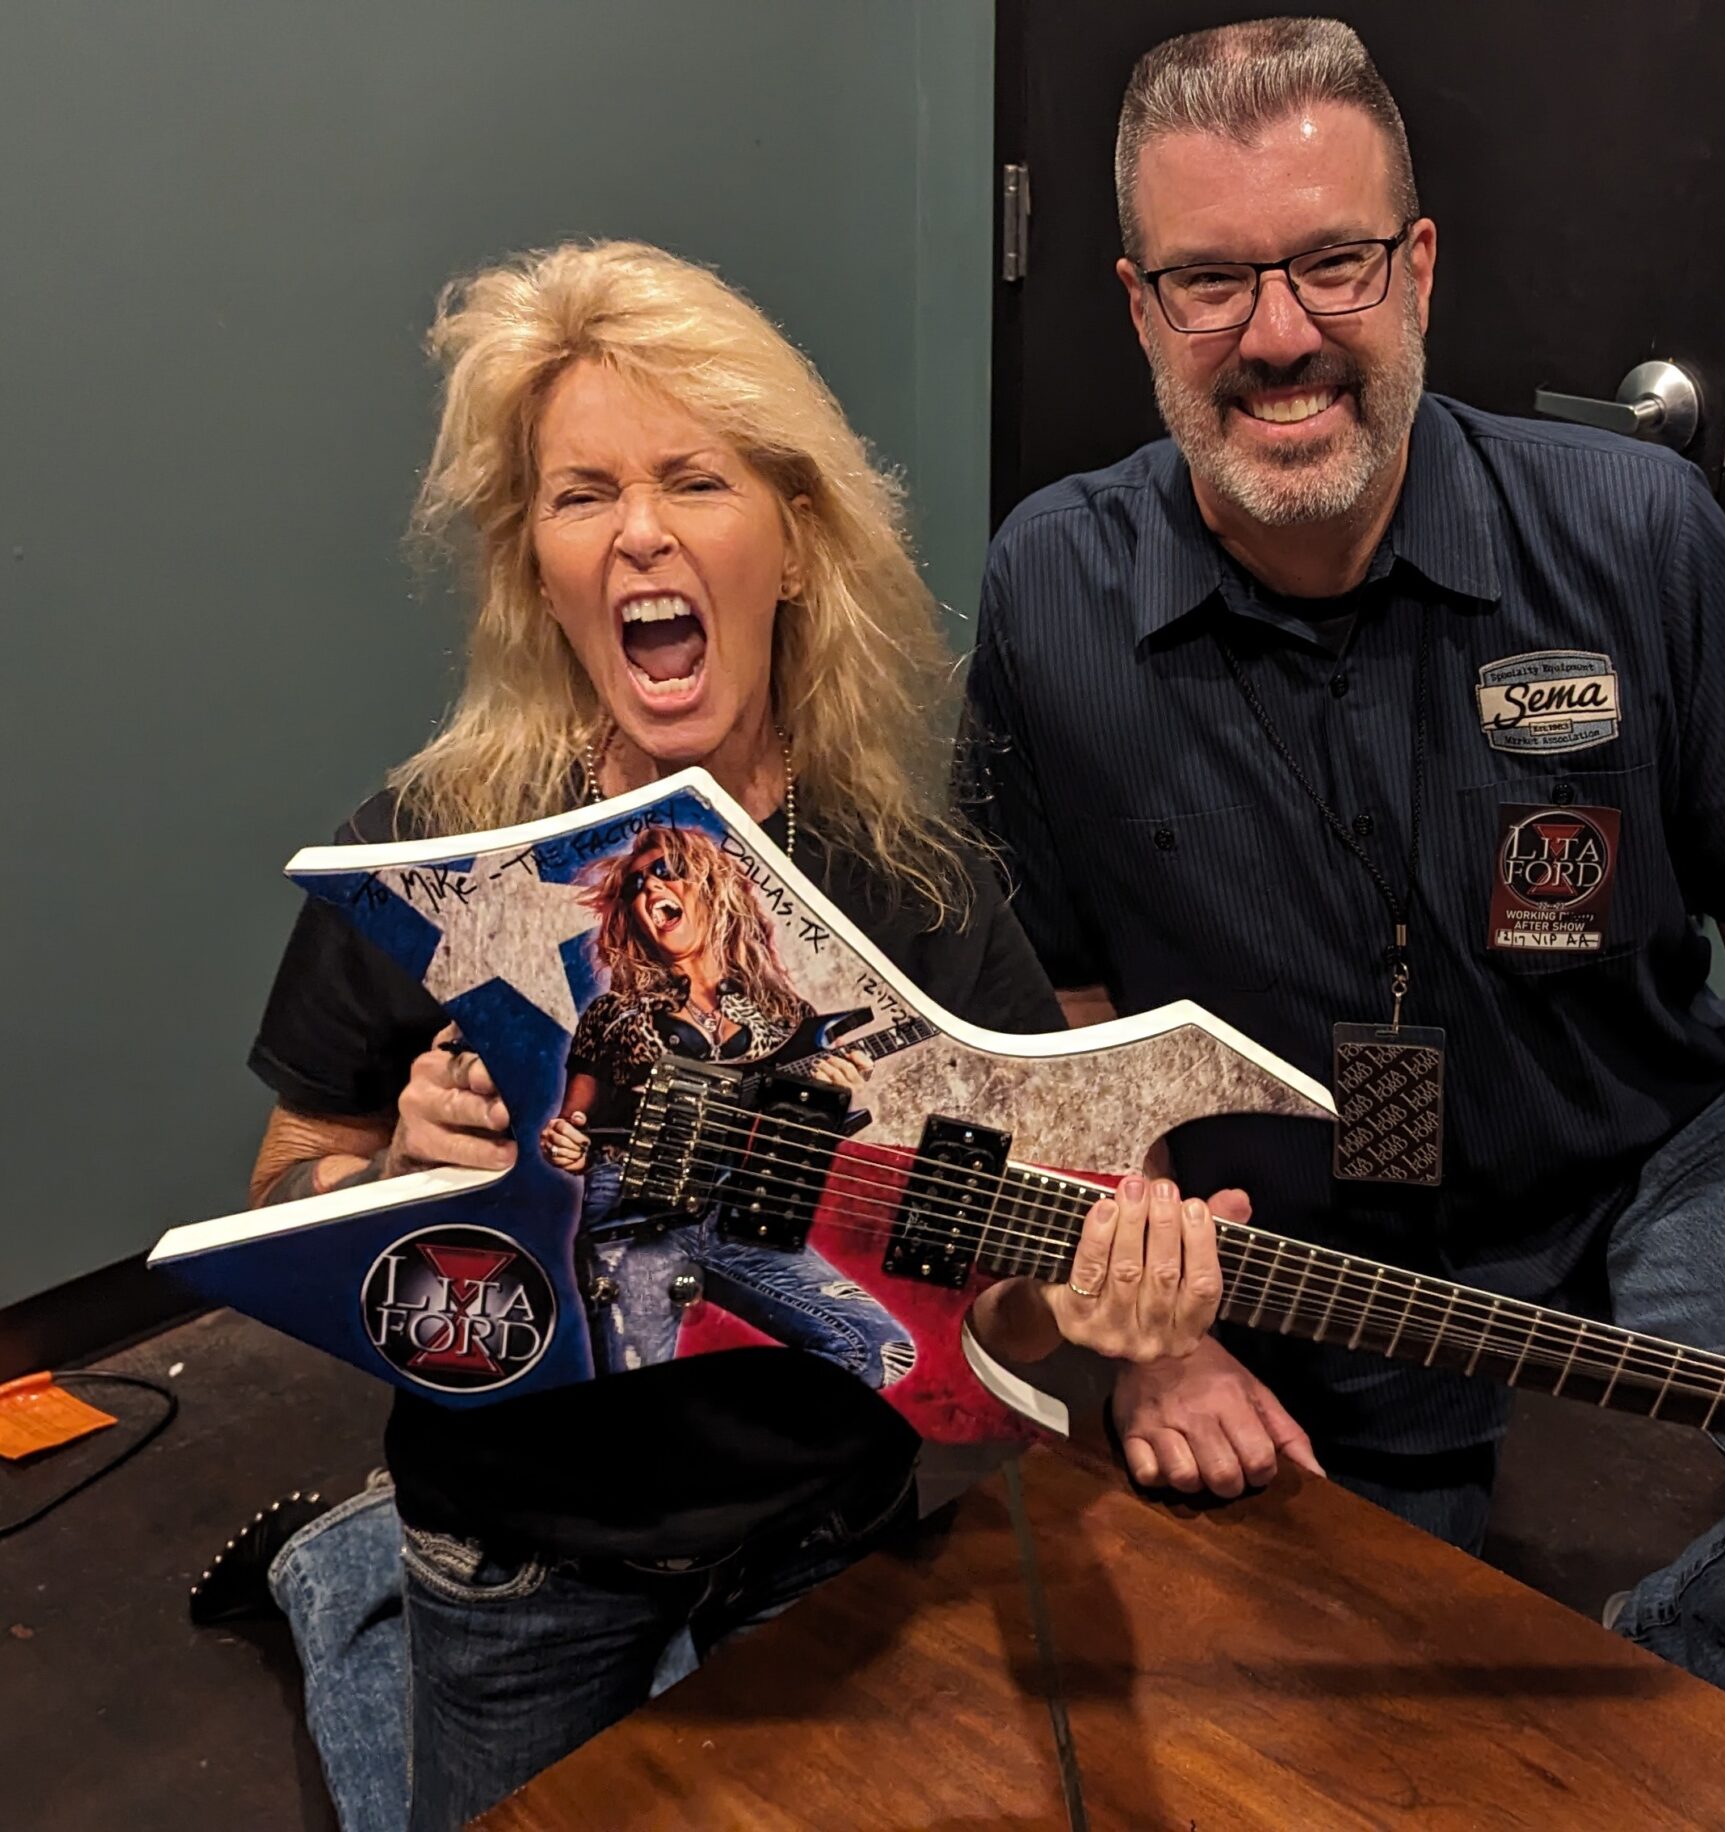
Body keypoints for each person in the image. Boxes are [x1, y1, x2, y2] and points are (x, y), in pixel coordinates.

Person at [961, 18, 1725, 1729]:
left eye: (1332, 263)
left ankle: (1623, 1681)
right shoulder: (1050, 586)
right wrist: (1161, 1331)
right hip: (1304, 1224)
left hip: (1631, 1148)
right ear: (1138, 306)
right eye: (1212, 280)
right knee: (1347, 1682)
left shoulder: (1637, 533)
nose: (1279, 333)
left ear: (1417, 267)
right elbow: (1064, 996)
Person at [226, 240, 1239, 1831]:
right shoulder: (437, 859)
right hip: (516, 1545)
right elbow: (292, 1175)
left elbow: (1001, 1312)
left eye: (694, 479)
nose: (640, 531)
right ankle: (354, 1584)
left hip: (824, 1521)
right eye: (582, 495)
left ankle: (347, 1577)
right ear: (537, 569)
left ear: (795, 546)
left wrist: (1093, 1301)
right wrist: (403, 1188)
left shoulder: (916, 884)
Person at [539, 822, 913, 1386]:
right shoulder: (614, 1014)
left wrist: (830, 1096)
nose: (649, 889)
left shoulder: (785, 1015)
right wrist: (566, 1144)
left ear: (714, 889)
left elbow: (792, 1146)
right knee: (630, 1412)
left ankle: (733, 1435)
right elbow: (574, 1125)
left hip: (739, 1210)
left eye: (667, 872)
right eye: (636, 884)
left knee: (878, 1349)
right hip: (634, 1211)